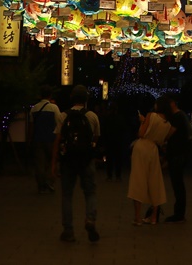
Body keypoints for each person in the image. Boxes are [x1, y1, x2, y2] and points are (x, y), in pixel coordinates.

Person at [51, 84, 101, 243]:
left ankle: (68, 230)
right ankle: (90, 219)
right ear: (86, 99)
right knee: (90, 192)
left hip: (68, 161)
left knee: (67, 195)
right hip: (86, 160)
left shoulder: (63, 116)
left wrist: (54, 163)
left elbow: (58, 140)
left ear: (71, 98)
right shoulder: (92, 116)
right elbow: (95, 138)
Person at [127, 96, 171, 226]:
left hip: (142, 148)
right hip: (153, 150)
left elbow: (141, 133)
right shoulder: (167, 124)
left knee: (138, 180)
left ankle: (138, 217)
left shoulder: (151, 116)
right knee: (155, 181)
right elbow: (162, 141)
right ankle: (153, 217)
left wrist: (143, 121)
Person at [28, 85, 60, 194]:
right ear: (50, 95)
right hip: (51, 138)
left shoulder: (34, 108)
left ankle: (41, 185)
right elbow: (59, 123)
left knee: (39, 163)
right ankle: (48, 181)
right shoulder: (54, 108)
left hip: (37, 138)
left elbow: (31, 126)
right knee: (50, 161)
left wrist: (30, 139)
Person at [163, 93, 190, 223]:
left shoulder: (178, 116)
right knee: (177, 183)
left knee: (178, 184)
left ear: (173, 103)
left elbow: (169, 133)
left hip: (178, 154)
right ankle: (179, 213)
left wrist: (161, 138)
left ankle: (179, 214)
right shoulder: (180, 115)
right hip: (179, 153)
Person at [98, 101, 125, 181]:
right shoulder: (120, 118)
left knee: (109, 159)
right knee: (118, 159)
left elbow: (103, 130)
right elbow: (123, 130)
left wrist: (103, 142)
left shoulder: (107, 118)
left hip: (109, 141)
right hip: (118, 141)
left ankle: (109, 175)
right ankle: (118, 175)